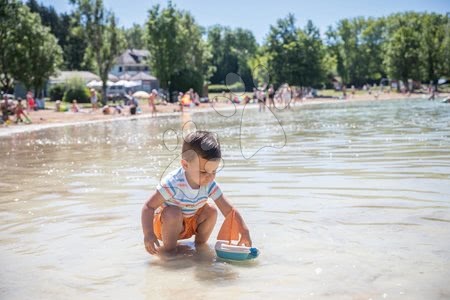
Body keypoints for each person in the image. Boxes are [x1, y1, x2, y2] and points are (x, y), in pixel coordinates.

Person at [141, 131, 252, 255]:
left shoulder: (209, 184)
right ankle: (169, 253)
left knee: (211, 211)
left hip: (191, 223)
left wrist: (244, 230)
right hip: (167, 226)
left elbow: (229, 210)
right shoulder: (173, 183)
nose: (209, 177)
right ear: (185, 165)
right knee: (173, 213)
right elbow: (148, 207)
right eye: (203, 172)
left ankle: (200, 248)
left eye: (214, 171)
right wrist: (148, 234)